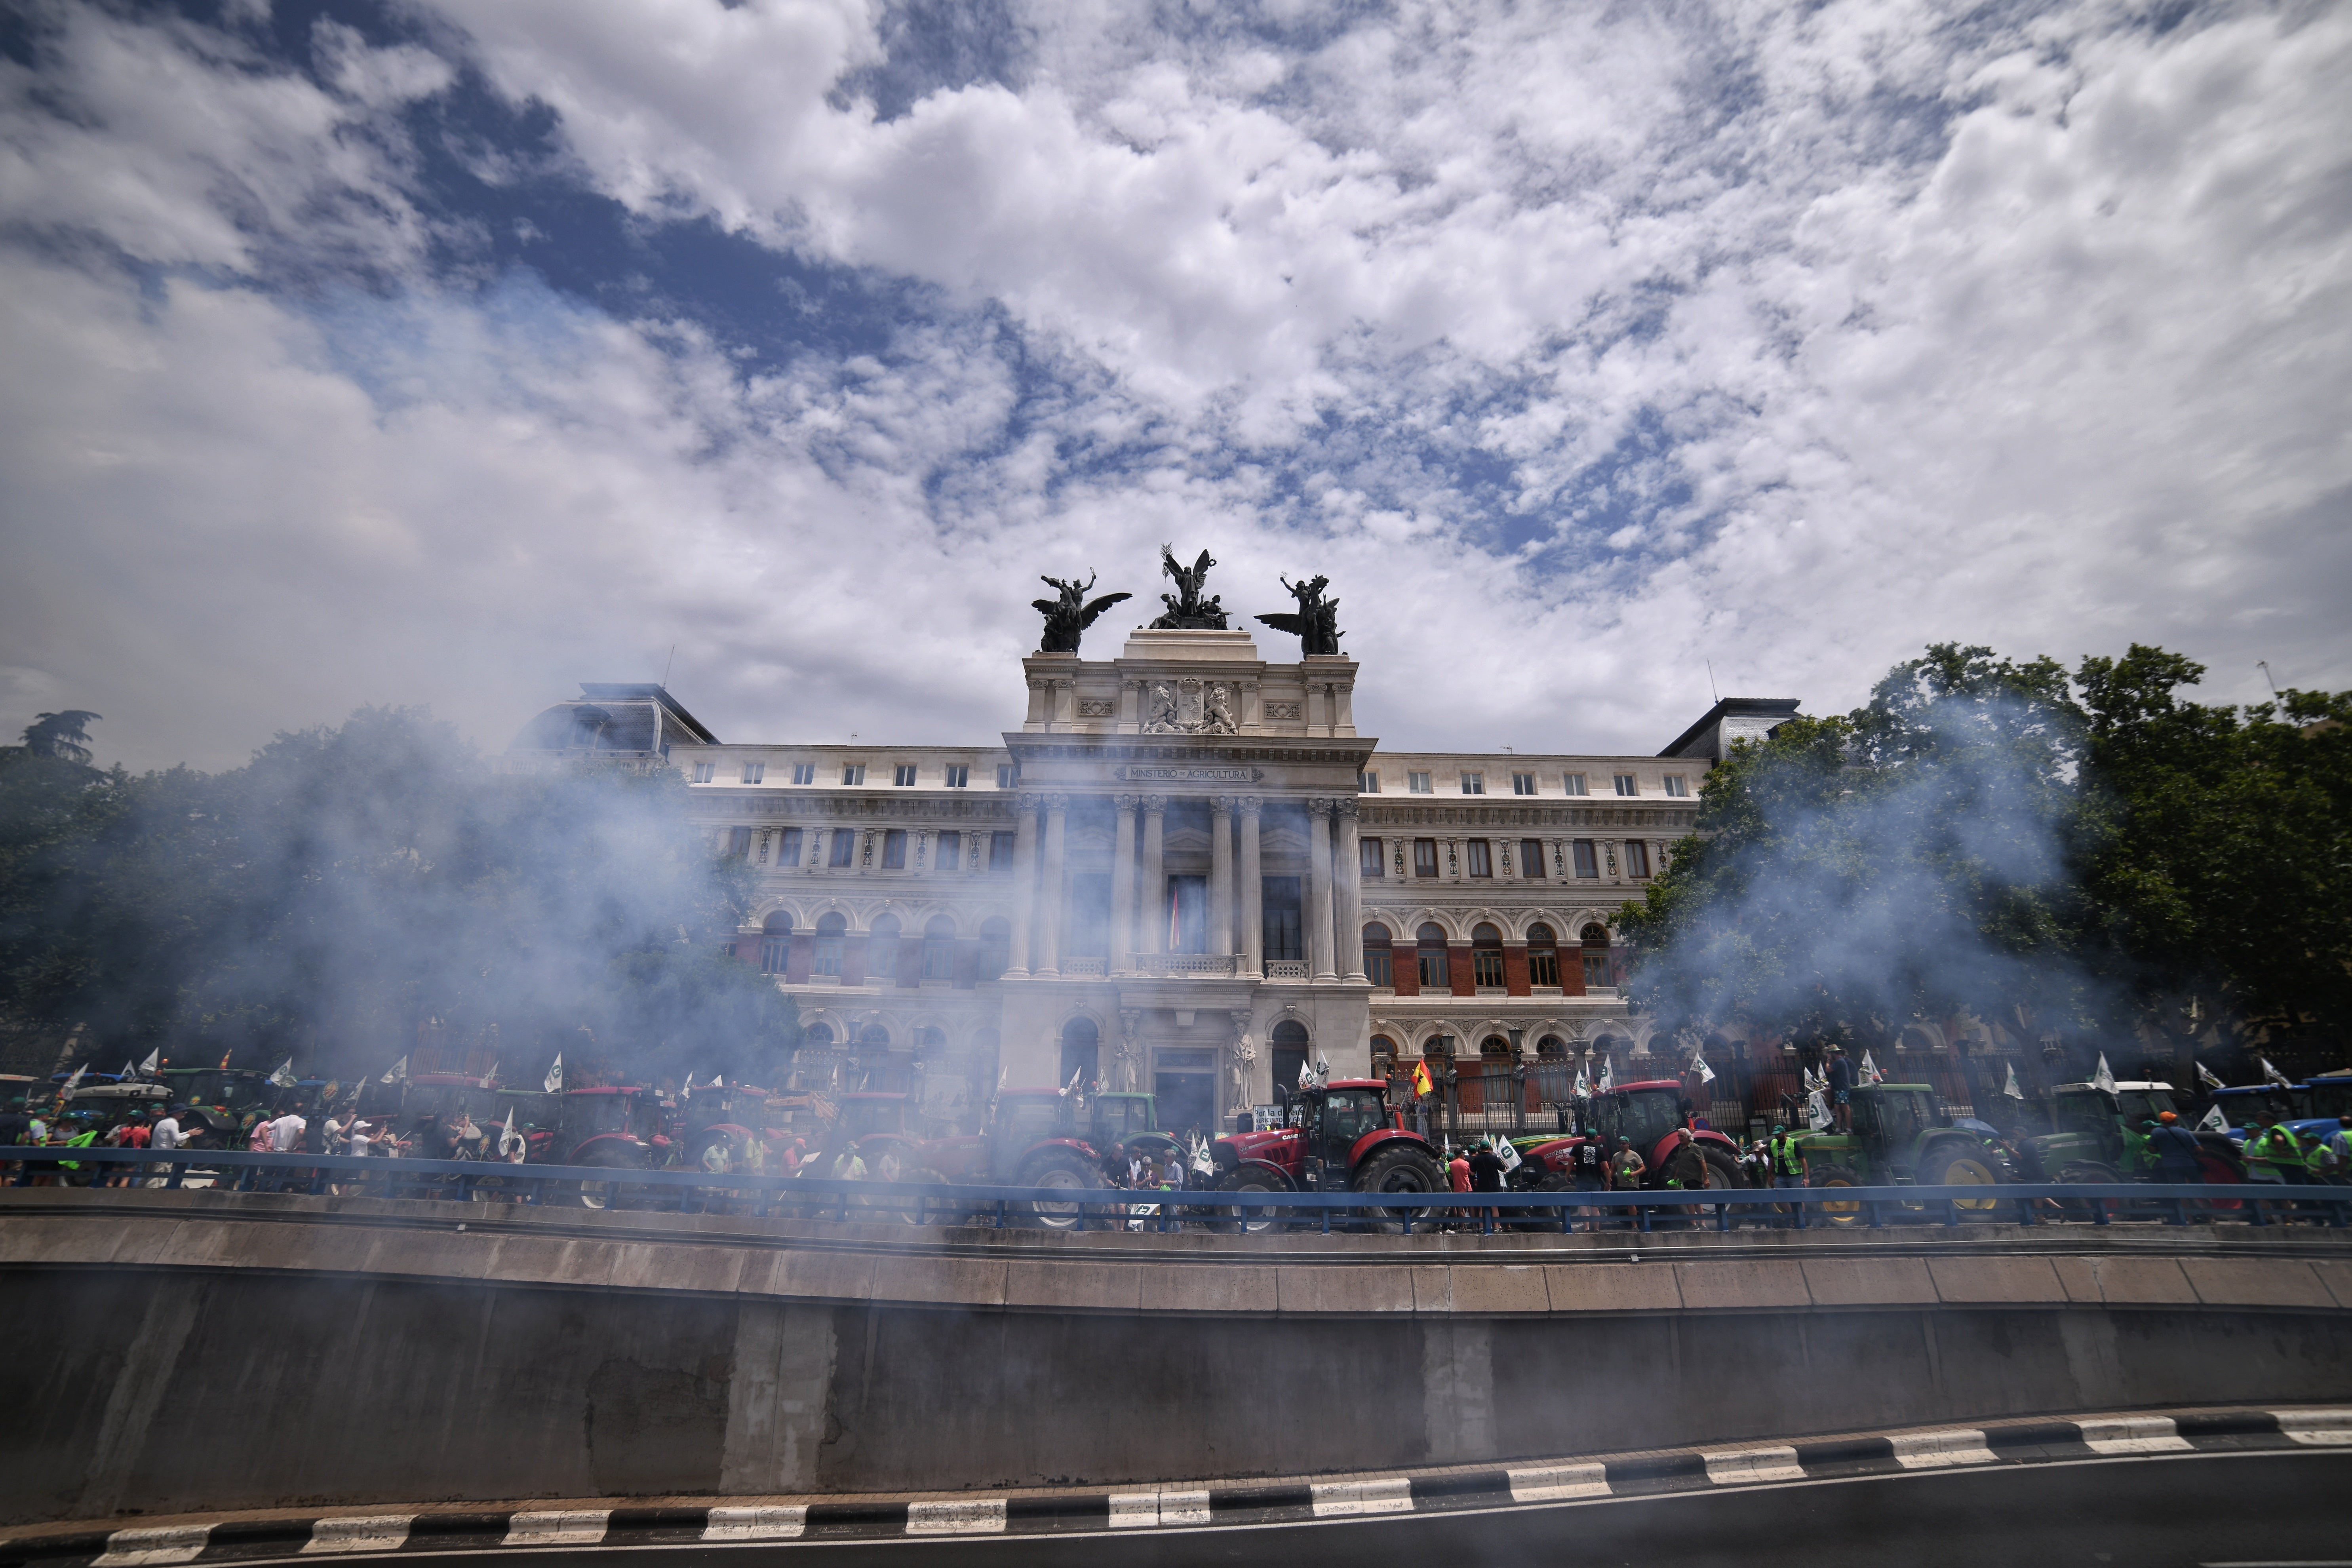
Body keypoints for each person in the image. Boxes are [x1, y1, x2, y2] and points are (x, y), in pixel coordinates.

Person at [2145, 1111, 2205, 1187]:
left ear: (2161, 1121)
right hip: (2189, 1164)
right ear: (2174, 1120)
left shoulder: (2157, 1132)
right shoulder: (2185, 1132)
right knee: (2200, 1188)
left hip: (2171, 1166)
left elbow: (2152, 1150)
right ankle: (2205, 1199)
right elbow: (2200, 1150)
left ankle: (2185, 1199)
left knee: (2179, 1190)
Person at [2245, 1113, 2308, 1184]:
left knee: (2294, 1187)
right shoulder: (2282, 1128)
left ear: (2270, 1120)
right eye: (2258, 1120)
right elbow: (2299, 1142)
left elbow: (2279, 1140)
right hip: (2293, 1163)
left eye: (2261, 1120)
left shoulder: (2275, 1129)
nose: (2259, 1122)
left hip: (2288, 1164)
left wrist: (2280, 1152)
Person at [1826, 1047, 1856, 1132]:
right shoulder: (1839, 1062)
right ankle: (1838, 1129)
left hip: (1842, 1089)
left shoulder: (1840, 1061)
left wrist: (1828, 1061)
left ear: (1833, 1053)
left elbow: (1828, 1069)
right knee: (1838, 1109)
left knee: (1846, 1108)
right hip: (1838, 1089)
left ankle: (1849, 1129)